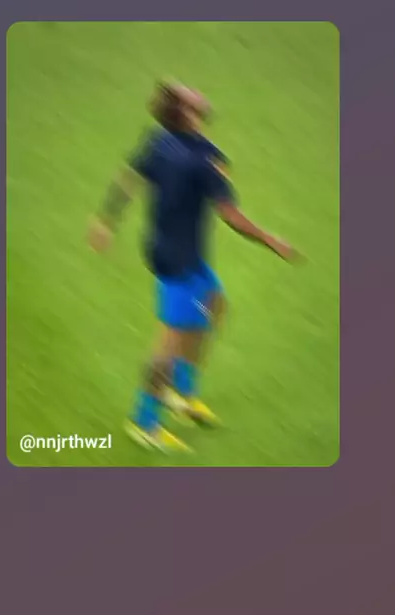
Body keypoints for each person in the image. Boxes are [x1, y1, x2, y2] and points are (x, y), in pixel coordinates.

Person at [89, 81, 299, 452]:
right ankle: (144, 422)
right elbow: (230, 215)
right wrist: (272, 241)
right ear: (186, 113)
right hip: (179, 261)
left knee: (215, 305)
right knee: (168, 344)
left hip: (171, 248)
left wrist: (106, 221)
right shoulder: (203, 161)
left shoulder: (160, 141)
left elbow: (129, 177)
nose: (198, 94)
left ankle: (180, 394)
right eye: (189, 95)